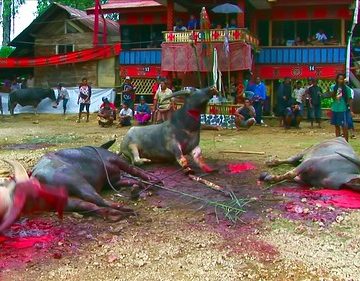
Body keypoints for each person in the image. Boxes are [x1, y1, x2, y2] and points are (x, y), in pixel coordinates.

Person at [330, 73, 353, 142]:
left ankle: (346, 142)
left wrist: (350, 110)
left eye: (342, 79)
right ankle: (338, 142)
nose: (341, 80)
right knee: (336, 125)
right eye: (340, 79)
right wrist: (335, 94)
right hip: (335, 108)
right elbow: (331, 96)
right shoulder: (333, 87)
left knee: (344, 126)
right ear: (337, 79)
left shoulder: (347, 89)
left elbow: (350, 99)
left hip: (342, 109)